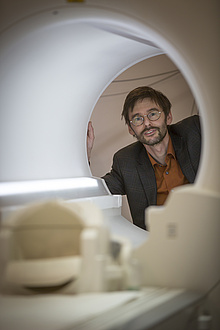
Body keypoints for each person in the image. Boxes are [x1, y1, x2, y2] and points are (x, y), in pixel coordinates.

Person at [87, 86, 201, 230]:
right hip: (161, 243)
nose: (147, 123)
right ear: (130, 129)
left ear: (168, 117)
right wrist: (85, 156)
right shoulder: (125, 162)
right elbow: (97, 193)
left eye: (153, 114)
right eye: (137, 119)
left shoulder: (195, 131)